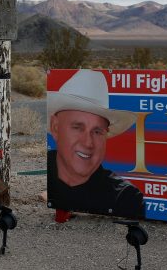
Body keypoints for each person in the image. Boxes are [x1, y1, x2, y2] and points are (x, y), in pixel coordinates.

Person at [47, 69, 145, 218]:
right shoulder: (48, 170)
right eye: (77, 127)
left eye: (97, 131)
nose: (88, 143)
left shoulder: (124, 198)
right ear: (55, 127)